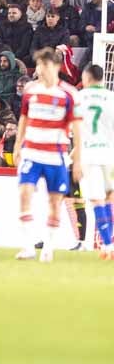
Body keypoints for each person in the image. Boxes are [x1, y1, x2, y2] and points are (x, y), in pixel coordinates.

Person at [13, 48, 83, 262]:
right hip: (32, 152)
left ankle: (48, 247)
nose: (42, 69)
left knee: (55, 202)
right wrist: (18, 145)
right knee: (24, 193)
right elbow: (24, 118)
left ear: (57, 67)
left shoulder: (69, 94)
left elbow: (77, 128)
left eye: (46, 65)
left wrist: (78, 158)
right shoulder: (30, 90)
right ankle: (27, 247)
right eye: (40, 65)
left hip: (56, 155)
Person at [76, 64, 114, 258]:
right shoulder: (112, 97)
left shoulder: (80, 98)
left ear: (88, 77)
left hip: (89, 153)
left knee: (96, 199)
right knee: (110, 197)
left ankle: (108, 245)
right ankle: (111, 243)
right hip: (110, 153)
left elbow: (74, 128)